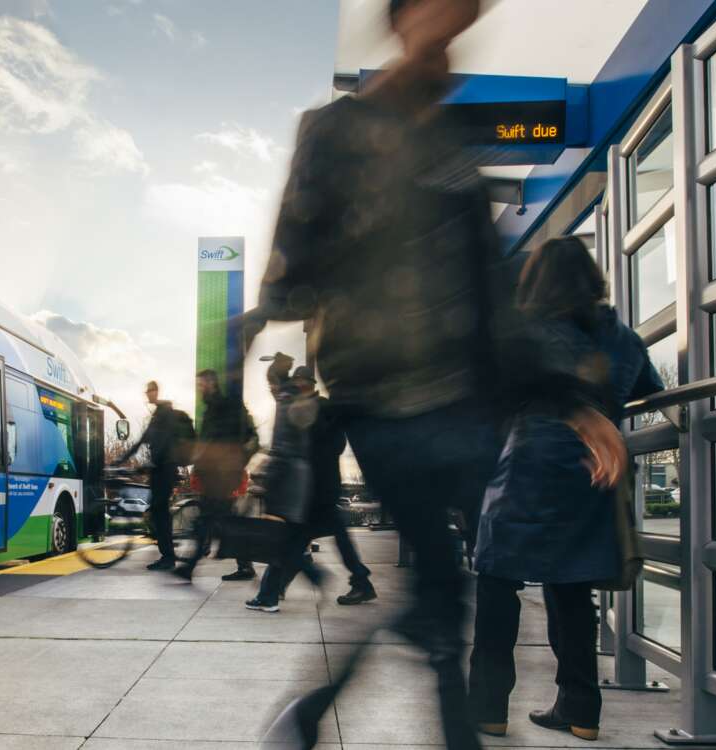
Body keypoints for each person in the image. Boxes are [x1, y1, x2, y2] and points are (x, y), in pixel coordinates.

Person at [245, 1, 627, 746]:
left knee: (446, 596)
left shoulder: (453, 149)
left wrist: (569, 400)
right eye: (442, 13)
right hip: (376, 395)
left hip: (466, 402)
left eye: (465, 19)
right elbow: (289, 266)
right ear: (402, 18)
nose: (454, 31)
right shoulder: (336, 130)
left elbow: (494, 302)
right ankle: (331, 710)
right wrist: (262, 343)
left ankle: (319, 710)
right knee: (445, 599)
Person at [470, 238, 662, 741]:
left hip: (525, 468)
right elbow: (648, 391)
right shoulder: (624, 339)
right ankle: (581, 713)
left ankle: (488, 708)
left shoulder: (526, 332)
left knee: (496, 583)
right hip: (593, 476)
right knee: (573, 591)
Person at [247, 366, 375, 612]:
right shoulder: (303, 406)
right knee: (305, 538)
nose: (296, 386)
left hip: (317, 486)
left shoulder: (321, 408)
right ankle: (357, 580)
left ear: (308, 383)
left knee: (292, 540)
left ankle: (273, 591)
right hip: (312, 485)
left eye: (299, 382)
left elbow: (333, 444)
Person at [173, 369, 258, 582]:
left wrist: (235, 464)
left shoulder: (223, 407)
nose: (200, 389)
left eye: (201, 385)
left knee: (211, 519)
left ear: (211, 383)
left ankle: (190, 566)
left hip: (222, 476)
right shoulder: (212, 408)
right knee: (219, 520)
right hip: (215, 475)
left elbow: (230, 442)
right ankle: (243, 565)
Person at [118, 381, 181, 570]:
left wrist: (151, 463)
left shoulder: (166, 415)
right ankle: (167, 553)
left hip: (165, 470)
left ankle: (168, 557)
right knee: (158, 513)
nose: (148, 395)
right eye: (147, 392)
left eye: (150, 392)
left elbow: (164, 444)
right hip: (158, 471)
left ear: (156, 392)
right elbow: (141, 441)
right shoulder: (156, 416)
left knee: (160, 513)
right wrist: (121, 459)